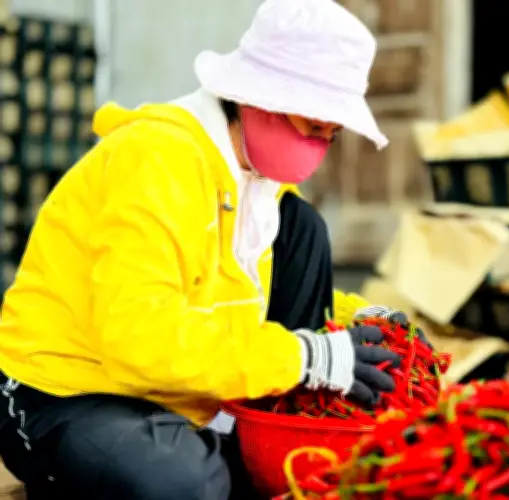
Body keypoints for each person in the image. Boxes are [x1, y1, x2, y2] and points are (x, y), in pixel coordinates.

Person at [0, 0, 421, 498]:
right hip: (72, 390)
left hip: (179, 394)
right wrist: (303, 357)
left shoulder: (261, 188)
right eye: (314, 129)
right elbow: (139, 336)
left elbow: (240, 292)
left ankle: (231, 444)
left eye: (332, 135)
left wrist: (355, 322)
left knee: (303, 227)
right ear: (261, 101)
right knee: (186, 484)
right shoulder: (157, 161)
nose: (319, 149)